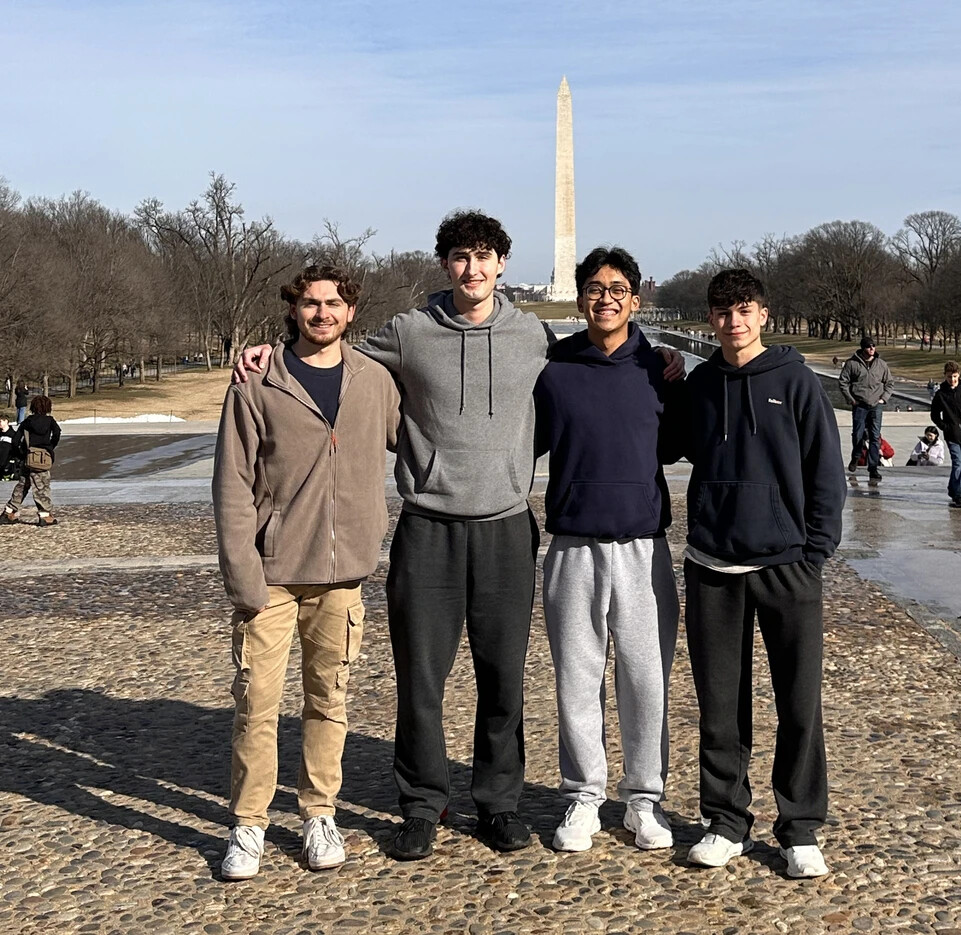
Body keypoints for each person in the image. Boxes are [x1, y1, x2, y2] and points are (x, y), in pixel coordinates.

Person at [235, 212, 683, 860]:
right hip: (429, 527)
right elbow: (334, 352)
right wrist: (268, 353)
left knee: (503, 676)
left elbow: (597, 360)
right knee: (421, 677)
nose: (472, 269)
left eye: (483, 257)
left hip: (504, 524)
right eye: (460, 258)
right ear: (446, 265)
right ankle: (421, 801)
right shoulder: (413, 331)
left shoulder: (532, 336)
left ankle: (497, 801)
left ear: (500, 264)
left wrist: (657, 355)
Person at [213, 265, 401, 881]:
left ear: (352, 312)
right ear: (293, 310)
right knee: (257, 705)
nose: (322, 313)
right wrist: (243, 575)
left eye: (334, 304)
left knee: (330, 702)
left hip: (342, 576)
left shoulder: (375, 381)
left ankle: (319, 813)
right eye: (311, 303)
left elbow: (425, 436)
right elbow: (232, 486)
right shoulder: (257, 382)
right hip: (271, 574)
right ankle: (249, 823)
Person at [681, 269, 845, 878]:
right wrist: (657, 376)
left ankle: (800, 827)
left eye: (744, 310)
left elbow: (826, 470)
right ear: (711, 320)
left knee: (799, 702)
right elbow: (665, 441)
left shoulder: (796, 381)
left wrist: (815, 551)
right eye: (723, 312)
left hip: (787, 566)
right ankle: (725, 820)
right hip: (712, 565)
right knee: (721, 706)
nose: (734, 322)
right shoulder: (700, 384)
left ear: (764, 315)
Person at [533, 247, 682, 853]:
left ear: (636, 299)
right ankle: (583, 796)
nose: (606, 298)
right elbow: (525, 443)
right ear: (580, 298)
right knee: (577, 677)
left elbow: (677, 448)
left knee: (647, 679)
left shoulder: (660, 371)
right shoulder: (553, 369)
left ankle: (644, 798)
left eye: (618, 288)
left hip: (643, 546)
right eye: (595, 288)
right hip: (573, 541)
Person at [838, 336, 894, 481]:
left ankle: (873, 467)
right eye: (869, 346)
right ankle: (856, 456)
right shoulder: (852, 364)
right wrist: (851, 400)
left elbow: (889, 383)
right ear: (863, 348)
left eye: (873, 346)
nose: (872, 349)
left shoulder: (881, 364)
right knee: (857, 434)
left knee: (875, 437)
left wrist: (883, 399)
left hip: (876, 406)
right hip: (860, 405)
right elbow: (843, 382)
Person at [1, 395, 61, 527]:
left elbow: (16, 440)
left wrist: (22, 454)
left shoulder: (28, 421)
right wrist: (49, 448)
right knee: (42, 486)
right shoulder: (50, 421)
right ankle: (45, 515)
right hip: (42, 459)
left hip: (28, 458)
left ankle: (9, 512)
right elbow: (57, 434)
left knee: (22, 485)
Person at [931, 361, 961, 509]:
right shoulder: (941, 394)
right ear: (944, 376)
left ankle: (952, 489)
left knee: (959, 465)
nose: (952, 380)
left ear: (959, 375)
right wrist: (945, 427)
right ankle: (960, 496)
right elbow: (934, 414)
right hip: (951, 434)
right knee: (958, 463)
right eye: (948, 377)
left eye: (954, 376)